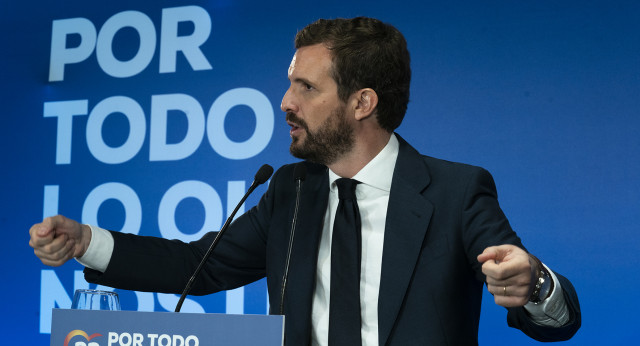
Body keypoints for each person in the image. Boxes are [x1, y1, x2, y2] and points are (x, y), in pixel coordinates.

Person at [30, 17, 580, 345]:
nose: (285, 102)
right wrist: (86, 243)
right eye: (289, 84)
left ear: (362, 102)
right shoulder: (291, 191)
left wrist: (533, 286)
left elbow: (557, 318)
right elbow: (195, 268)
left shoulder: (456, 191)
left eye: (306, 88)